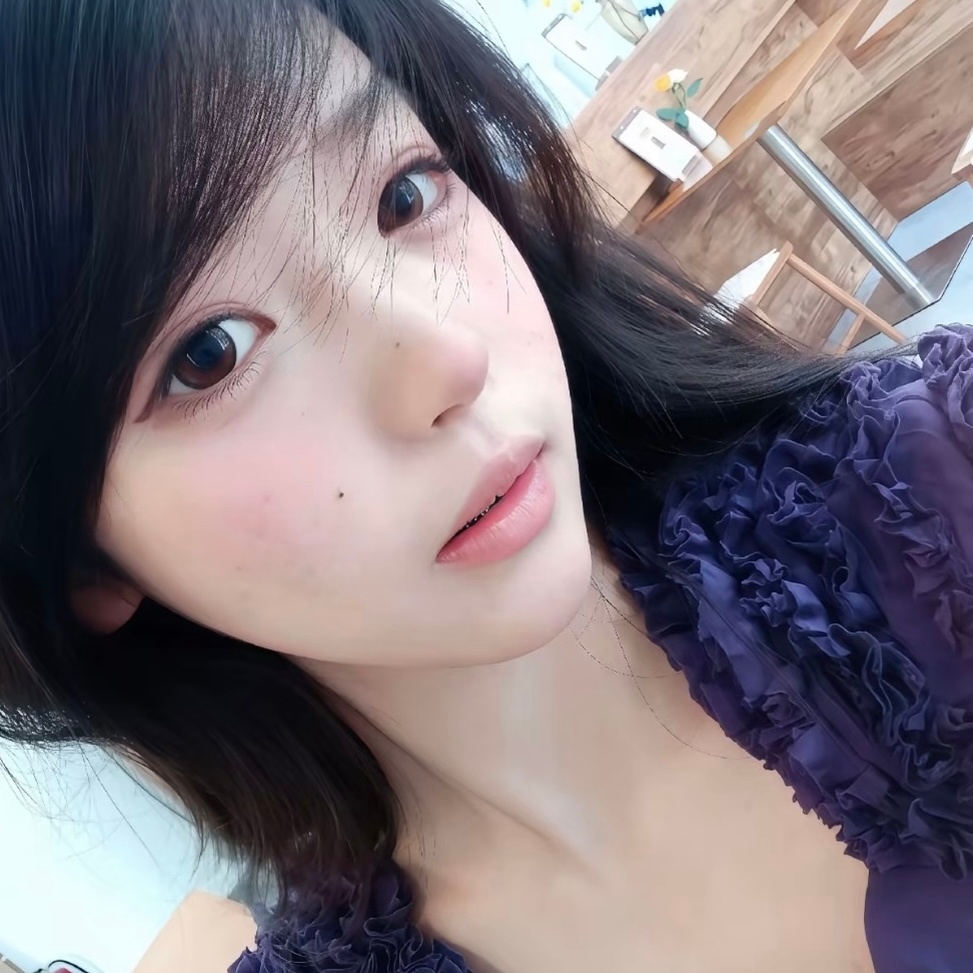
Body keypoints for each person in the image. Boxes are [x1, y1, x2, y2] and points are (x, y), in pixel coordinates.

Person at [0, 0, 970, 970]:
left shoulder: (934, 501)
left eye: (405, 195)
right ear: (78, 560)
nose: (448, 357)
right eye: (209, 353)